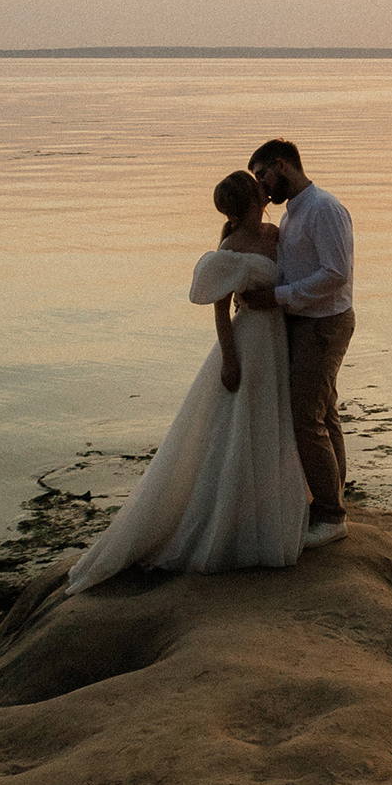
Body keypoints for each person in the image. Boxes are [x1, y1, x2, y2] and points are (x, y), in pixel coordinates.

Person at [65, 171, 308, 594]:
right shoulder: (229, 248)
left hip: (277, 340)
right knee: (235, 433)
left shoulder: (275, 234)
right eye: (258, 191)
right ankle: (227, 526)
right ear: (252, 200)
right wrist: (229, 360)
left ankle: (271, 516)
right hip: (249, 341)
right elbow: (220, 310)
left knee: (272, 425)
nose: (266, 193)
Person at [237, 139, 355, 549]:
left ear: (283, 165)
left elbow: (336, 273)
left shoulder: (324, 208)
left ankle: (330, 515)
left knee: (307, 418)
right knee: (325, 414)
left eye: (263, 175)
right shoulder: (293, 214)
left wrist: (279, 297)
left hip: (324, 324)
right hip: (304, 323)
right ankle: (333, 501)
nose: (262, 188)